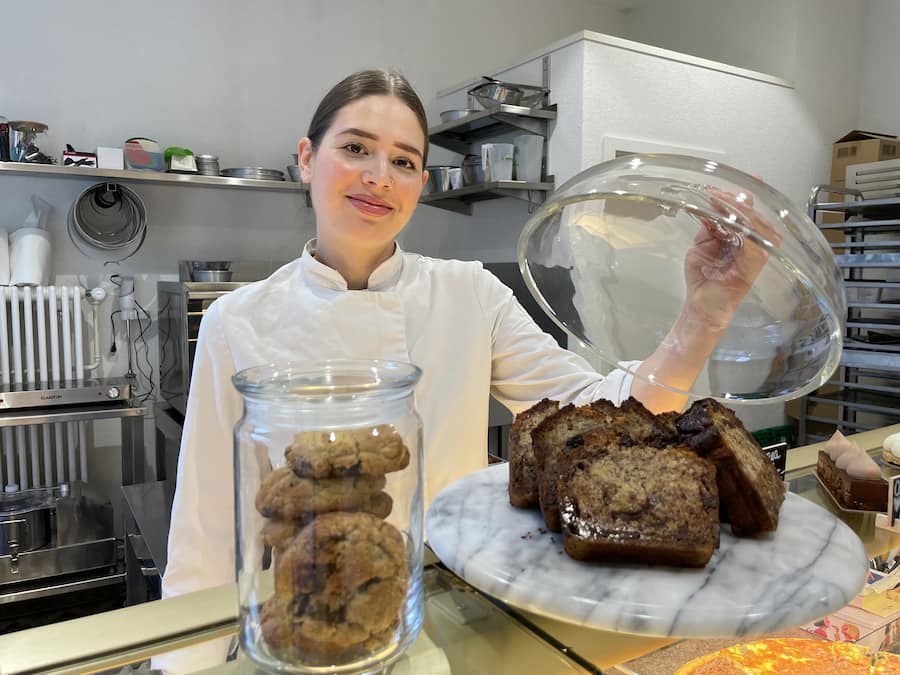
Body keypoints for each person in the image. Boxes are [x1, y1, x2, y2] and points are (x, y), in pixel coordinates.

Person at [154, 69, 765, 673]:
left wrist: (703, 318)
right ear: (308, 158)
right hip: (312, 620)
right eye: (356, 148)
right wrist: (185, 666)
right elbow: (207, 530)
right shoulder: (237, 319)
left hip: (454, 609)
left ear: (420, 182)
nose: (377, 175)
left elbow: (601, 419)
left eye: (402, 161)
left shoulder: (469, 293)